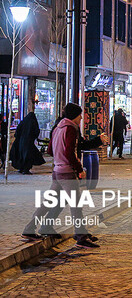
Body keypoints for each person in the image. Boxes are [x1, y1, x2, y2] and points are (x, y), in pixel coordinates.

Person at [22, 103, 100, 248]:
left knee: (50, 202)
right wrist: (79, 168)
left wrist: (59, 159)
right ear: (75, 116)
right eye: (80, 115)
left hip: (57, 171)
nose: (81, 118)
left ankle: (31, 228)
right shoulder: (71, 129)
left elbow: (50, 150)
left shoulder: (58, 128)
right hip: (67, 172)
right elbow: (69, 152)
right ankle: (81, 236)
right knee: (76, 205)